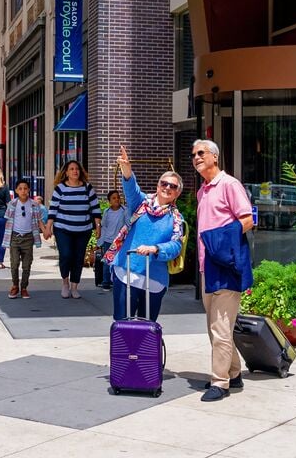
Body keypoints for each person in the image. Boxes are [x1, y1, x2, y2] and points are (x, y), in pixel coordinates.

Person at [192, 138, 254, 402]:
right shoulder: (202, 190)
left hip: (226, 266)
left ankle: (221, 383)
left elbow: (248, 219)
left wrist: (221, 240)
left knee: (219, 328)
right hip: (208, 266)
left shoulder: (229, 184)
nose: (196, 157)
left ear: (215, 157)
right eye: (193, 154)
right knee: (217, 326)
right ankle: (234, 372)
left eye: (201, 153)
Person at [104, 145, 184, 321]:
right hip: (126, 271)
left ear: (176, 194)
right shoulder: (140, 203)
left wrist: (155, 248)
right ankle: (124, 350)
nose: (167, 187)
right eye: (164, 183)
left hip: (154, 279)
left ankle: (142, 351)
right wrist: (127, 170)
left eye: (173, 186)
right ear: (158, 185)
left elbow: (176, 245)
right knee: (123, 324)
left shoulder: (176, 218)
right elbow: (132, 190)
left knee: (147, 328)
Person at [46, 160, 102, 299]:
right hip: (63, 228)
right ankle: (65, 283)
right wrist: (48, 227)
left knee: (78, 258)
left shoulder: (87, 188)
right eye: (71, 169)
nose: (75, 171)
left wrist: (98, 226)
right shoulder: (60, 188)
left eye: (77, 169)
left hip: (83, 230)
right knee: (65, 255)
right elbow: (53, 210)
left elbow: (95, 209)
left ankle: (74, 286)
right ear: (66, 173)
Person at [1, 179, 49, 299]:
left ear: (29, 190)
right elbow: (8, 220)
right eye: (20, 188)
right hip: (15, 237)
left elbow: (39, 221)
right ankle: (15, 285)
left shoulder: (34, 204)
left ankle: (24, 287)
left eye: (25, 188)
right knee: (14, 263)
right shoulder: (12, 204)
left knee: (27, 265)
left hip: (28, 238)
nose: (23, 191)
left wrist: (45, 231)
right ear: (16, 190)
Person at [96, 189, 127, 290]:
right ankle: (106, 283)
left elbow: (128, 224)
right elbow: (103, 226)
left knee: (119, 262)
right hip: (108, 241)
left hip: (120, 241)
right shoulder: (107, 212)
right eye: (114, 198)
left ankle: (118, 282)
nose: (117, 199)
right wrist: (100, 241)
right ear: (109, 201)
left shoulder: (124, 211)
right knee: (107, 263)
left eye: (118, 197)